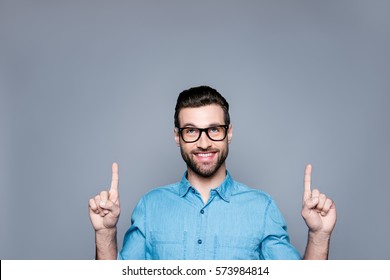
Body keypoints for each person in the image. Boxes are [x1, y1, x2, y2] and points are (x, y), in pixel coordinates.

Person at [88, 85, 337, 260]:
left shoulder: (261, 208)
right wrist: (105, 233)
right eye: (191, 131)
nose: (204, 142)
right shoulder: (150, 206)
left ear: (229, 133)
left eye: (214, 130)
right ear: (178, 137)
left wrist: (319, 235)